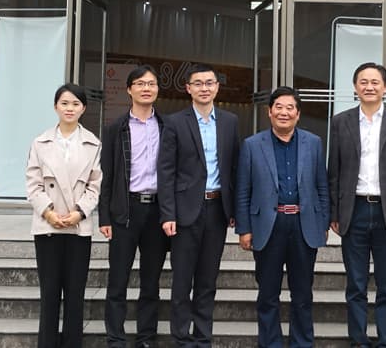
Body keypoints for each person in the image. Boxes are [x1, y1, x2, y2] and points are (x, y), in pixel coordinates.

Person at [328, 62, 386, 348]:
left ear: (385, 87)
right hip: (353, 210)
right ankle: (358, 341)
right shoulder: (340, 121)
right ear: (355, 87)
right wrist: (333, 212)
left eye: (375, 82)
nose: (369, 87)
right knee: (355, 284)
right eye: (363, 82)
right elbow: (334, 172)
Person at [235, 86, 329, 348]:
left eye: (290, 108)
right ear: (269, 112)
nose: (284, 113)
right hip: (268, 225)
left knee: (303, 294)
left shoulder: (313, 143)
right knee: (268, 294)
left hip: (303, 224)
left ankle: (302, 343)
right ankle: (270, 343)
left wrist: (322, 223)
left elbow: (322, 186)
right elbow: (243, 190)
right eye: (278, 107)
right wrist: (244, 228)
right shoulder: (252, 145)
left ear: (298, 114)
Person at [157, 63, 241, 346]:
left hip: (217, 210)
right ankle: (181, 338)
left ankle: (203, 338)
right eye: (198, 83)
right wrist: (167, 213)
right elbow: (165, 171)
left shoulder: (230, 121)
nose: (204, 88)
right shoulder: (174, 122)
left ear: (217, 87)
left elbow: (234, 168)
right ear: (188, 88)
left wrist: (234, 210)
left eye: (209, 83)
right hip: (184, 212)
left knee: (207, 280)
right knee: (182, 281)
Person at [25, 83, 102, 348]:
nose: (70, 108)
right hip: (47, 227)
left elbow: (95, 185)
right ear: (56, 107)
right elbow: (33, 184)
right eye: (65, 103)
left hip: (78, 228)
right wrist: (48, 212)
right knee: (49, 294)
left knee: (75, 294)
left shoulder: (93, 144)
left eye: (75, 104)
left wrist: (79, 212)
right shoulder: (40, 142)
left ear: (84, 108)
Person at [98, 65, 168, 348]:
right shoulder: (115, 129)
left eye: (151, 83)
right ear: (129, 90)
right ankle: (115, 339)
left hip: (157, 211)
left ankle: (146, 338)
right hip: (125, 210)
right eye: (140, 84)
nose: (146, 88)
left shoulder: (167, 127)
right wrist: (104, 217)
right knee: (118, 280)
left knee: (151, 282)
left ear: (157, 89)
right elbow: (107, 176)